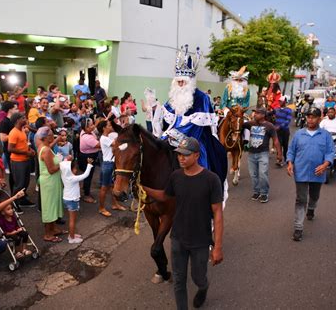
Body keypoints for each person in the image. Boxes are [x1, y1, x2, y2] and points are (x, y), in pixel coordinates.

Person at [143, 137, 224, 310]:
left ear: (196, 155)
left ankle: (203, 288)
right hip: (178, 238)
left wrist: (217, 246)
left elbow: (217, 213)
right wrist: (144, 188)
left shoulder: (211, 179)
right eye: (179, 154)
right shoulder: (176, 176)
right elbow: (165, 196)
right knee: (179, 281)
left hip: (200, 240)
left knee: (198, 277)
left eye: (185, 155)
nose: (181, 158)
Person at [152, 45, 227, 185]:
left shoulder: (201, 98)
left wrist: (173, 135)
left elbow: (195, 128)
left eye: (183, 82)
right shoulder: (173, 98)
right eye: (178, 82)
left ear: (190, 82)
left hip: (195, 138)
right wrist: (154, 109)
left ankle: (205, 188)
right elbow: (165, 121)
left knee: (202, 159)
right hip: (172, 136)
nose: (180, 85)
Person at [287, 107, 335, 241]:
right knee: (301, 199)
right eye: (308, 116)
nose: (310, 119)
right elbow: (291, 150)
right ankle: (298, 228)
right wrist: (290, 163)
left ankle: (312, 208)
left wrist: (325, 165)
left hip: (318, 173)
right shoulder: (299, 134)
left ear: (319, 119)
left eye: (313, 117)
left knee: (314, 196)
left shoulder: (325, 135)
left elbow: (330, 153)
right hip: (301, 172)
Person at [242, 107, 282, 203]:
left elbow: (275, 140)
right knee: (253, 175)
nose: (255, 114)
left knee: (263, 174)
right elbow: (239, 124)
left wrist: (279, 154)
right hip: (251, 153)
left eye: (257, 113)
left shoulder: (269, 126)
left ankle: (264, 193)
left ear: (263, 115)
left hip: (263, 153)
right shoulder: (250, 124)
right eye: (255, 113)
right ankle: (256, 191)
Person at [35, 126, 65, 243]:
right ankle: (48, 234)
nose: (54, 136)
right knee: (49, 207)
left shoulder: (44, 147)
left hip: (51, 181)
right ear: (46, 137)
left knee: (53, 204)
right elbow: (51, 169)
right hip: (49, 181)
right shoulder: (46, 150)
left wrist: (56, 141)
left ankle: (53, 229)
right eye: (52, 135)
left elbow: (50, 147)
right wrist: (63, 162)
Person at [96, 120, 126, 217]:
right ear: (104, 128)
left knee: (113, 186)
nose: (110, 126)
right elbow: (116, 144)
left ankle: (114, 204)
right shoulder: (104, 138)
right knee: (104, 187)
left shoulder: (107, 137)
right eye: (109, 125)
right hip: (107, 164)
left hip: (111, 164)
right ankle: (101, 208)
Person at [60, 157, 93, 244]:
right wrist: (89, 164)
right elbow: (85, 175)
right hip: (72, 200)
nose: (76, 170)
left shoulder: (64, 174)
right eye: (75, 168)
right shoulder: (72, 178)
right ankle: (71, 238)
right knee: (72, 220)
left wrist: (67, 159)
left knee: (72, 219)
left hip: (67, 198)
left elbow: (64, 163)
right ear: (70, 170)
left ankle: (72, 234)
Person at [8, 113, 35, 209]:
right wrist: (26, 153)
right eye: (23, 118)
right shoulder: (13, 132)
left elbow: (24, 144)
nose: (25, 119)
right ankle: (13, 204)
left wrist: (29, 150)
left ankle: (22, 200)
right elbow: (10, 149)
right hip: (17, 161)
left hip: (25, 160)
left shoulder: (22, 131)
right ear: (17, 120)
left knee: (25, 182)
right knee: (19, 184)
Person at [79, 118, 100, 204]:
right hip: (88, 157)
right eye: (91, 125)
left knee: (87, 175)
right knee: (88, 175)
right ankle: (86, 195)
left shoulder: (85, 131)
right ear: (86, 128)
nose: (93, 126)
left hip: (87, 155)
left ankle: (85, 188)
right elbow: (100, 145)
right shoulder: (87, 138)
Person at [0, 101, 19, 184]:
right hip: (10, 151)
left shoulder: (15, 121)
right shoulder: (5, 122)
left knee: (18, 173)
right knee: (13, 173)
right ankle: (14, 192)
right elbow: (3, 138)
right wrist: (16, 135)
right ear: (10, 110)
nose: (17, 110)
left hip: (18, 149)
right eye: (15, 108)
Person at [274, 96, 292, 166]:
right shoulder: (276, 109)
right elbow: (269, 114)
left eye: (281, 101)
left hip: (285, 131)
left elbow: (288, 120)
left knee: (285, 145)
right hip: (277, 131)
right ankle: (279, 159)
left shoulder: (289, 110)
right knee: (279, 144)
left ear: (284, 102)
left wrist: (280, 126)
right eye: (279, 101)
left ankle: (286, 158)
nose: (279, 102)